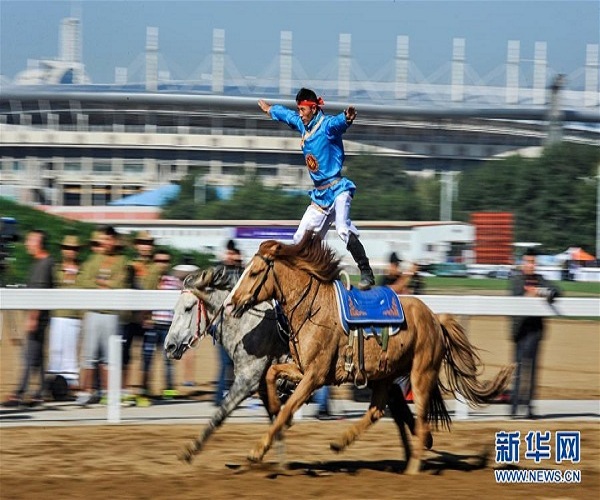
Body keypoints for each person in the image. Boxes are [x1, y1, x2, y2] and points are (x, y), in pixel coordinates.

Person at [258, 88, 375, 290]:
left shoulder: (326, 126)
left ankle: (366, 272)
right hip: (321, 196)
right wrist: (270, 110)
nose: (300, 113)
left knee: (342, 228)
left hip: (338, 189)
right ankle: (311, 280)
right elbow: (287, 116)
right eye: (299, 110)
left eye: (303, 110)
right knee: (300, 240)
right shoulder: (303, 126)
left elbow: (338, 123)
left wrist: (347, 118)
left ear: (313, 108)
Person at [75, 226, 128, 406]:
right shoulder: (92, 260)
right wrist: (103, 284)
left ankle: (108, 392)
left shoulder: (121, 261)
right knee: (89, 354)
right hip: (93, 312)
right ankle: (86, 391)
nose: (106, 242)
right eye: (103, 239)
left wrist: (100, 283)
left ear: (115, 241)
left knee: (110, 355)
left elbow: (120, 282)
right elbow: (83, 281)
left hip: (111, 314)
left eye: (109, 239)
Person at [3, 229, 54, 407]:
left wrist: (33, 317)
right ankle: (39, 392)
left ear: (39, 243)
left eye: (30, 240)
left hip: (37, 316)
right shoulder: (38, 263)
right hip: (38, 315)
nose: (27, 243)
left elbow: (39, 294)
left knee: (28, 355)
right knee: (37, 356)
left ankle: (19, 393)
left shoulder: (44, 264)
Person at [510, 247, 560, 419]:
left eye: (532, 262)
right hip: (520, 331)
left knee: (532, 371)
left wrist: (540, 292)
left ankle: (529, 408)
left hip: (535, 332)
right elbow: (514, 297)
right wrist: (528, 294)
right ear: (522, 262)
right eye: (527, 261)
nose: (530, 265)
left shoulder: (541, 280)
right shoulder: (516, 280)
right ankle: (514, 408)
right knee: (516, 370)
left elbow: (556, 291)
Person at [139, 249, 182, 404]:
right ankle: (144, 390)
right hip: (151, 325)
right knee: (147, 360)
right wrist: (145, 318)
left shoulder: (175, 282)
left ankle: (169, 390)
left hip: (168, 326)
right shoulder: (148, 279)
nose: (161, 264)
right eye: (158, 260)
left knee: (168, 361)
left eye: (164, 261)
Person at [122, 230, 157, 405]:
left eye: (148, 243)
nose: (145, 247)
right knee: (125, 356)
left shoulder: (156, 268)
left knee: (146, 358)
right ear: (137, 245)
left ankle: (143, 393)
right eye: (143, 243)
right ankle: (124, 391)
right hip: (129, 318)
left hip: (147, 319)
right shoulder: (129, 266)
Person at [46, 235, 83, 399]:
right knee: (56, 351)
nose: (70, 251)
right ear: (63, 250)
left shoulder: (81, 270)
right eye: (68, 248)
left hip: (74, 316)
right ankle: (54, 386)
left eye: (74, 248)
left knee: (70, 352)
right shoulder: (56, 269)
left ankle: (69, 386)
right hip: (57, 315)